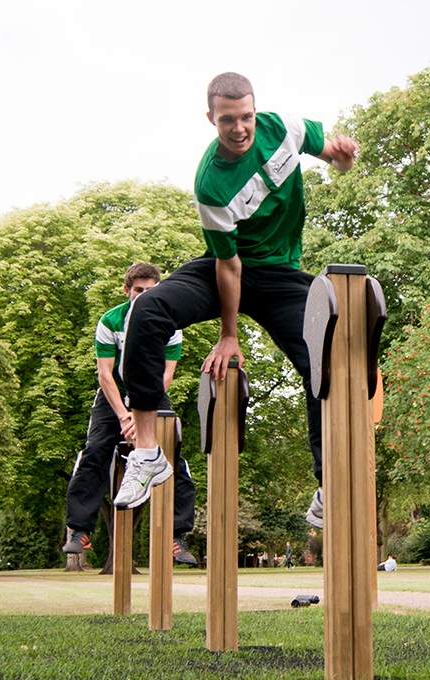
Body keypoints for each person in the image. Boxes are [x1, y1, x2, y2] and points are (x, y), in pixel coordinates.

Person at [113, 72, 359, 532]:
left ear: (255, 110)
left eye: (245, 116)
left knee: (327, 352)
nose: (240, 128)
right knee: (147, 311)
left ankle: (330, 483)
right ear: (211, 118)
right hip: (224, 267)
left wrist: (342, 160)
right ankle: (147, 455)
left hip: (280, 275)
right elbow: (229, 268)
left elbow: (335, 159)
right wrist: (230, 335)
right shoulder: (211, 183)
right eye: (228, 120)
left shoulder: (285, 128)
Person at [62, 263, 199, 566]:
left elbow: (165, 376)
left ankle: (176, 535)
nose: (144, 296)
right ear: (127, 291)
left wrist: (142, 414)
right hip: (112, 398)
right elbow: (104, 375)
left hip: (150, 393)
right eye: (138, 291)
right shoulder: (110, 321)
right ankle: (80, 530)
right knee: (95, 452)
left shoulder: (171, 325)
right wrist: (125, 416)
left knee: (173, 454)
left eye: (151, 291)